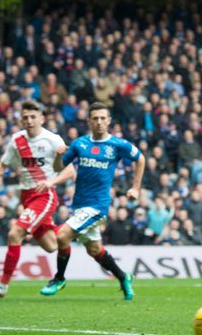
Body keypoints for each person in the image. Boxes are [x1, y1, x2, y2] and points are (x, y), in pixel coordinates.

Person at [39, 102, 145, 300]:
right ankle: (124, 277)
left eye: (103, 118)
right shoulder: (80, 144)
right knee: (94, 250)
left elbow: (141, 159)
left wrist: (136, 188)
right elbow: (59, 166)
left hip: (98, 206)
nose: (99, 122)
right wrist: (58, 156)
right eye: (95, 118)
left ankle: (59, 278)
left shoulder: (118, 145)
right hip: (79, 206)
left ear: (109, 121)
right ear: (88, 121)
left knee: (62, 237)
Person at [0, 100, 76, 299]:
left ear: (41, 118)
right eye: (25, 117)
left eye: (33, 117)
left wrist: (52, 182)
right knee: (51, 245)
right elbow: (3, 164)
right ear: (20, 119)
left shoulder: (53, 140)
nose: (29, 121)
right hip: (26, 196)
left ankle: (2, 286)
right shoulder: (17, 140)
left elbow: (69, 171)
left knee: (15, 234)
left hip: (44, 195)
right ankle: (75, 231)